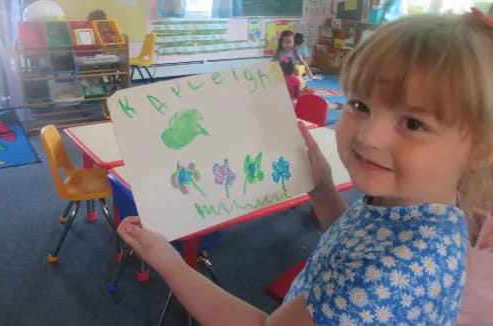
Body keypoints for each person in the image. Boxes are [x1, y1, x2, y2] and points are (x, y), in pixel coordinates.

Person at [117, 11, 493, 325]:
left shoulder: (373, 279)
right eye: (360, 104)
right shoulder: (423, 210)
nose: (369, 136)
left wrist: (170, 263)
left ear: (481, 150)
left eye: (413, 124)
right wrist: (322, 187)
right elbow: (353, 235)